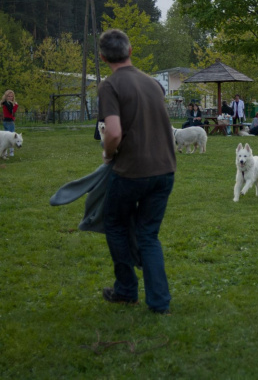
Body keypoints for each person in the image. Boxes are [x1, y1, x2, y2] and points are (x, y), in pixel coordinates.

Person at [97, 28, 176, 314]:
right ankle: (159, 304)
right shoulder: (153, 83)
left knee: (115, 225)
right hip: (165, 169)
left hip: (131, 171)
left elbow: (114, 132)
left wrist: (108, 154)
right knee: (148, 235)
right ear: (130, 51)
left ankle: (126, 290)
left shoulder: (110, 85)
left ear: (103, 56)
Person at [0, 90, 19, 157]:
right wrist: (16, 105)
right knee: (12, 137)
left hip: (6, 121)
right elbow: (12, 112)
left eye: (11, 96)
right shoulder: (8, 104)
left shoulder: (5, 103)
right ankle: (11, 152)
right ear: (6, 96)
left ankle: (5, 152)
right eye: (9, 96)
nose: (10, 98)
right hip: (9, 121)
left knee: (6, 137)